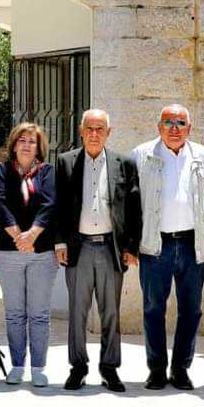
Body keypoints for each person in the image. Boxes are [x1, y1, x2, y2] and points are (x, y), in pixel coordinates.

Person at [132, 104, 204, 391]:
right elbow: (129, 202)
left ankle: (181, 368)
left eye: (181, 123)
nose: (174, 128)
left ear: (189, 128)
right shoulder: (142, 154)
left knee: (191, 309)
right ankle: (157, 369)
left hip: (192, 244)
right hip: (156, 245)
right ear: (159, 127)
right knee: (153, 308)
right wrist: (130, 245)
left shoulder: (203, 156)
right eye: (168, 122)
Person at [55, 109, 141, 392]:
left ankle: (109, 368)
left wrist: (131, 247)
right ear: (81, 131)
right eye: (89, 129)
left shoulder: (124, 163)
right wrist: (60, 242)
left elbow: (134, 208)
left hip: (109, 249)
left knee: (110, 313)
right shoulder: (66, 162)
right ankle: (78, 367)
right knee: (77, 312)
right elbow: (58, 205)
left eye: (100, 129)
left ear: (108, 132)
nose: (94, 134)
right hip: (78, 248)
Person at [0, 122, 57, 387]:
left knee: (39, 313)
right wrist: (18, 236)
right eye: (22, 140)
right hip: (8, 250)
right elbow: (1, 202)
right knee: (15, 313)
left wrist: (32, 235)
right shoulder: (3, 171)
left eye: (32, 141)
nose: (27, 145)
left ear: (39, 147)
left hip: (41, 251)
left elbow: (50, 204)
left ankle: (38, 367)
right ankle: (18, 365)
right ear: (14, 145)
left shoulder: (48, 171)